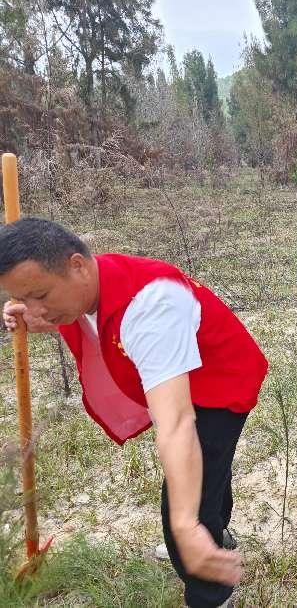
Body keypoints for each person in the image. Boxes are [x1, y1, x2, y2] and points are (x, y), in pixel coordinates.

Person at [0, 219, 268, 608]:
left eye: (39, 295)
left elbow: (176, 423)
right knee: (210, 474)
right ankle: (217, 533)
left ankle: (211, 592)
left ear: (77, 266)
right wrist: (30, 312)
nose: (34, 308)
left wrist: (184, 526)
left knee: (187, 504)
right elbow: (74, 316)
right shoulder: (89, 283)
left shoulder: (150, 306)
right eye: (22, 298)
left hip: (220, 385)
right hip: (189, 375)